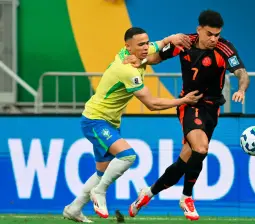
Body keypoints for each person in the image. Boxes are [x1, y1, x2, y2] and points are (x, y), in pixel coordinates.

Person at [62, 27, 202, 223]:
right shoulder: (127, 70)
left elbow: (159, 44)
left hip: (108, 121)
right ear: (128, 47)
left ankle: (74, 208)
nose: (146, 48)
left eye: (146, 43)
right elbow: (152, 104)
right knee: (128, 156)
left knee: (102, 172)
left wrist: (171, 37)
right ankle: (99, 191)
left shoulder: (135, 53)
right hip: (95, 120)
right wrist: (183, 100)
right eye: (141, 45)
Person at [126, 10, 250, 221]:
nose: (214, 39)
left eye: (217, 34)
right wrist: (142, 62)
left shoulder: (224, 48)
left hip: (212, 108)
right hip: (190, 103)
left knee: (186, 160)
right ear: (199, 29)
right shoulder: (184, 42)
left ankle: (147, 194)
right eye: (209, 34)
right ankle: (186, 197)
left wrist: (241, 89)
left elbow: (242, 73)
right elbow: (157, 57)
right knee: (201, 148)